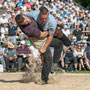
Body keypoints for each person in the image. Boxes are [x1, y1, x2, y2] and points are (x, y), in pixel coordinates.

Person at [15, 7, 71, 84]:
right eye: (25, 23)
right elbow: (43, 35)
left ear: (24, 16)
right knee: (48, 59)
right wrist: (44, 47)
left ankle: (54, 64)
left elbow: (33, 14)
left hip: (44, 36)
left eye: (26, 19)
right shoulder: (29, 29)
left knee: (59, 43)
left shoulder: (30, 15)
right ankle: (44, 79)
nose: (27, 21)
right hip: (39, 41)